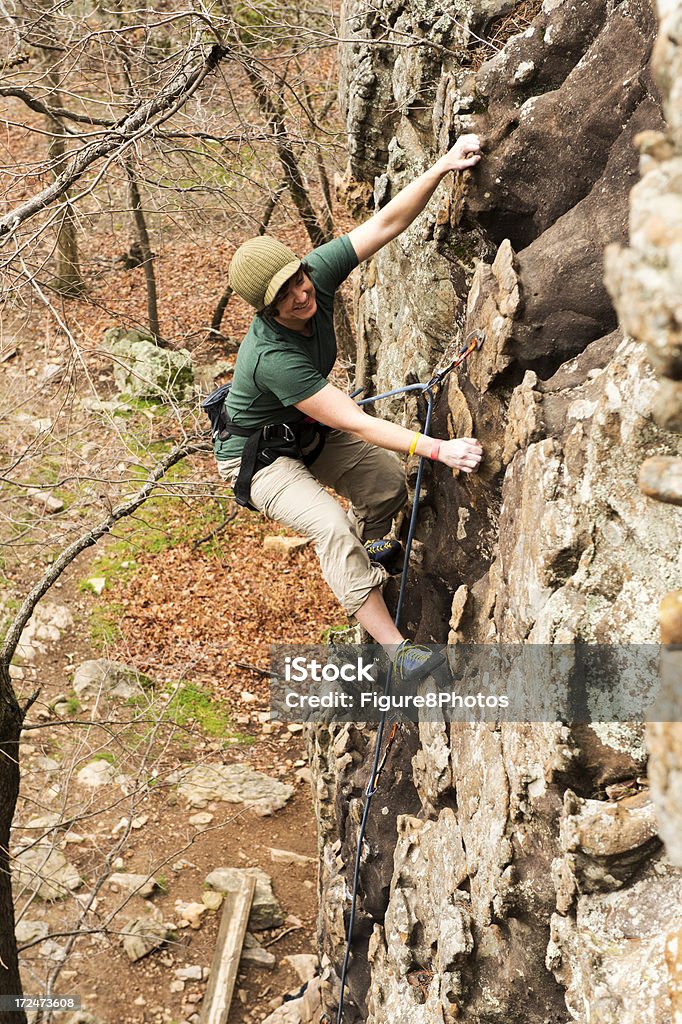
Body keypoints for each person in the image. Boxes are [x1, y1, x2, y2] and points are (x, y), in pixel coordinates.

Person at [215, 133, 484, 681]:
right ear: (266, 309)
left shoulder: (316, 276)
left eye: (297, 279)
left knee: (386, 482)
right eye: (283, 295)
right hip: (259, 459)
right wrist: (440, 450)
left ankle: (369, 559)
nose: (299, 295)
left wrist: (441, 166)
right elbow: (354, 419)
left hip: (303, 430)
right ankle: (396, 651)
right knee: (332, 524)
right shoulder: (272, 357)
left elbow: (385, 224)